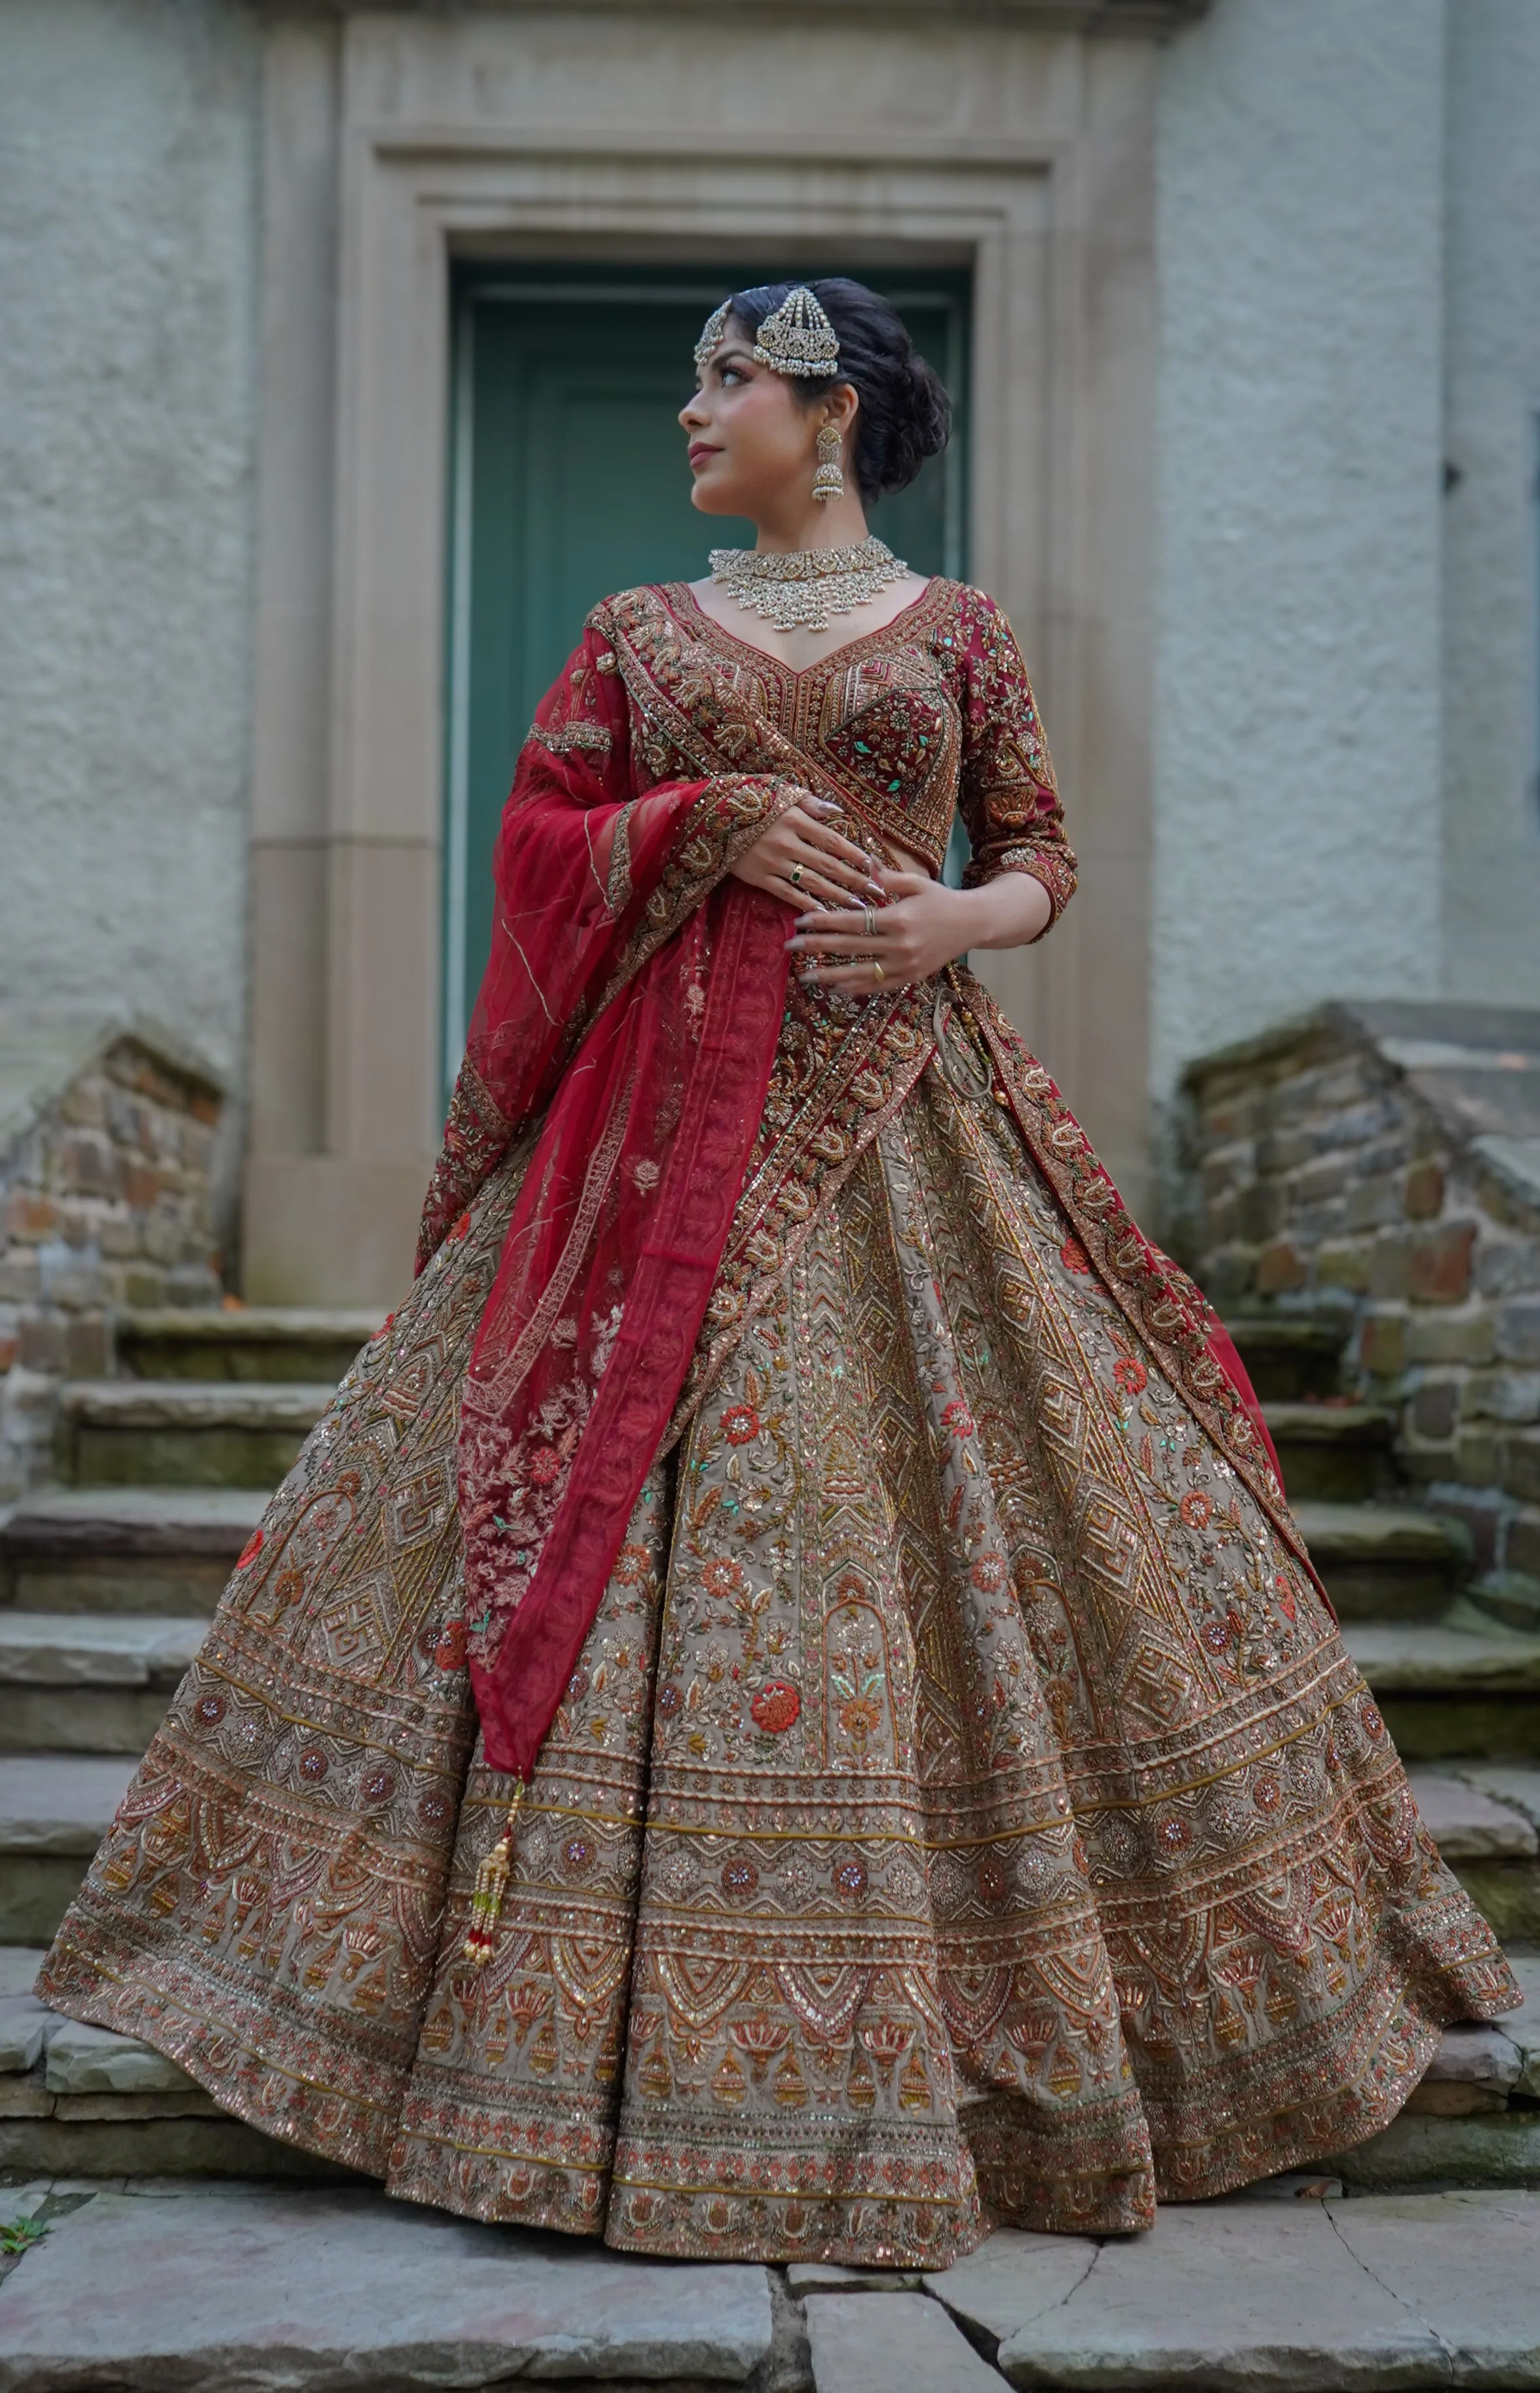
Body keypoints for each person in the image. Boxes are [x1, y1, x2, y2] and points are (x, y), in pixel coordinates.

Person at [39, 279, 1516, 2266]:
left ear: (826, 415)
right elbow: (542, 840)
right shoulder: (636, 636)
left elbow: (1042, 853)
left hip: (920, 1119)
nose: (687, 410)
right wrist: (703, 820)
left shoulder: (965, 631)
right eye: (687, 379)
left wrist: (949, 928)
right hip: (654, 1149)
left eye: (725, 379)